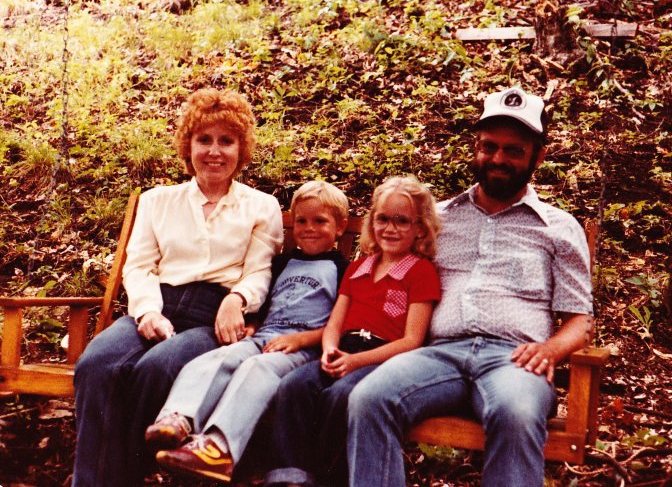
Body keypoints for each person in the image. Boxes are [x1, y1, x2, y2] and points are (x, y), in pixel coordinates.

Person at [345, 87, 594, 487]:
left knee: (515, 412)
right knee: (369, 399)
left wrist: (549, 351)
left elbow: (580, 321)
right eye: (489, 147)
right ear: (475, 148)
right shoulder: (437, 218)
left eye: (513, 150)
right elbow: (385, 269)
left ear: (538, 156)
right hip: (437, 355)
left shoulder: (559, 228)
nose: (498, 158)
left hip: (513, 362)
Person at [72, 89, 284, 487]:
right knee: (96, 364)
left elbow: (259, 272)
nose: (215, 151)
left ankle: (125, 476)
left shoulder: (261, 206)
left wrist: (237, 299)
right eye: (204, 139)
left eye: (226, 140)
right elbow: (139, 267)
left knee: (158, 367)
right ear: (189, 145)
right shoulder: (158, 201)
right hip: (158, 302)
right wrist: (149, 311)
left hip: (214, 316)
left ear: (242, 148)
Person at [144, 180, 350, 483]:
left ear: (341, 227)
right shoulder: (283, 263)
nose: (309, 228)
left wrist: (302, 340)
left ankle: (219, 447)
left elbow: (344, 323)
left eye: (320, 221)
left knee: (257, 368)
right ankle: (178, 418)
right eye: (302, 221)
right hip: (264, 335)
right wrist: (251, 325)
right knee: (216, 359)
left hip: (304, 347)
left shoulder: (344, 269)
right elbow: (265, 304)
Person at [265, 175, 443, 487]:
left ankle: (327, 477)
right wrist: (331, 348)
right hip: (342, 349)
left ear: (420, 227)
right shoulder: (360, 267)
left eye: (401, 221)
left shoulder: (420, 271)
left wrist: (357, 362)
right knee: (295, 386)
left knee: (341, 396)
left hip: (382, 358)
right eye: (383, 219)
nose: (390, 228)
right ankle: (289, 473)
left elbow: (412, 341)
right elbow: (336, 319)